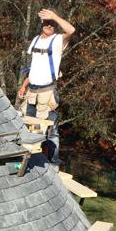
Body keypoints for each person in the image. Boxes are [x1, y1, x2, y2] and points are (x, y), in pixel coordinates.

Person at [17, 8, 75, 164]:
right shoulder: (36, 40)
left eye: (52, 23)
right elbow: (33, 67)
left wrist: (55, 16)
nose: (49, 26)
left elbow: (71, 29)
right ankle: (33, 159)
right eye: (46, 23)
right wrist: (24, 86)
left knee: (49, 130)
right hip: (32, 92)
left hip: (46, 93)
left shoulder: (57, 40)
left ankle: (52, 163)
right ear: (42, 23)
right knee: (31, 126)